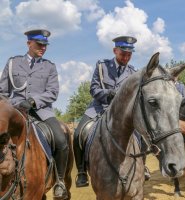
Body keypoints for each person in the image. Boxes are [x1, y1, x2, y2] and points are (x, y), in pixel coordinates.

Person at [73, 36, 150, 187]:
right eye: (123, 54)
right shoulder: (102, 66)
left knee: (142, 133)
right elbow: (93, 89)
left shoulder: (133, 72)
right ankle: (82, 172)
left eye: (129, 54)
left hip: (122, 113)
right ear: (115, 51)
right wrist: (108, 94)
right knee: (78, 133)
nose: (126, 57)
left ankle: (142, 164)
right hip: (99, 107)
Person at [0, 29, 69, 199]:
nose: (43, 48)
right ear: (29, 43)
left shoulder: (49, 66)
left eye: (45, 45)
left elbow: (53, 92)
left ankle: (59, 181)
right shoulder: (12, 63)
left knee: (61, 139)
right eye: (39, 44)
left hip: (41, 112)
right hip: (15, 112)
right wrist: (11, 105)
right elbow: (2, 91)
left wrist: (33, 101)